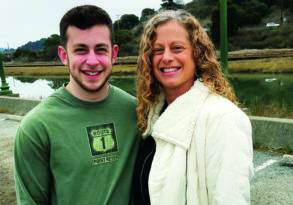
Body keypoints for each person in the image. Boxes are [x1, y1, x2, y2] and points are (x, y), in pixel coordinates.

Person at [14, 5, 139, 205]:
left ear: (114, 54)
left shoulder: (135, 111)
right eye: (80, 50)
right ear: (64, 55)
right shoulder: (36, 127)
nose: (92, 60)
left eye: (100, 49)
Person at [133, 10, 254, 205]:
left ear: (197, 53)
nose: (166, 57)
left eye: (177, 48)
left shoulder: (224, 118)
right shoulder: (151, 115)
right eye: (157, 50)